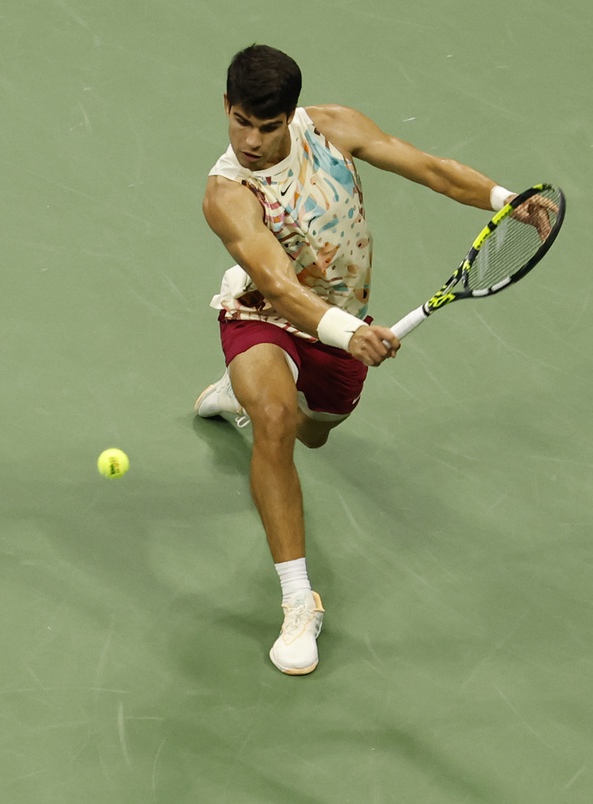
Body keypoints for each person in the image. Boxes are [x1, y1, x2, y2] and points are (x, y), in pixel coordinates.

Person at [194, 44, 523, 676]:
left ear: (290, 116)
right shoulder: (227, 194)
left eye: (267, 127)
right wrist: (349, 333)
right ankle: (297, 602)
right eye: (240, 122)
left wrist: (504, 199)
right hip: (264, 314)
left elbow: (431, 169)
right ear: (226, 107)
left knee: (314, 432)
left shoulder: (333, 128)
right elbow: (283, 289)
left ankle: (245, 393)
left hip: (339, 326)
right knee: (275, 421)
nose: (252, 141)